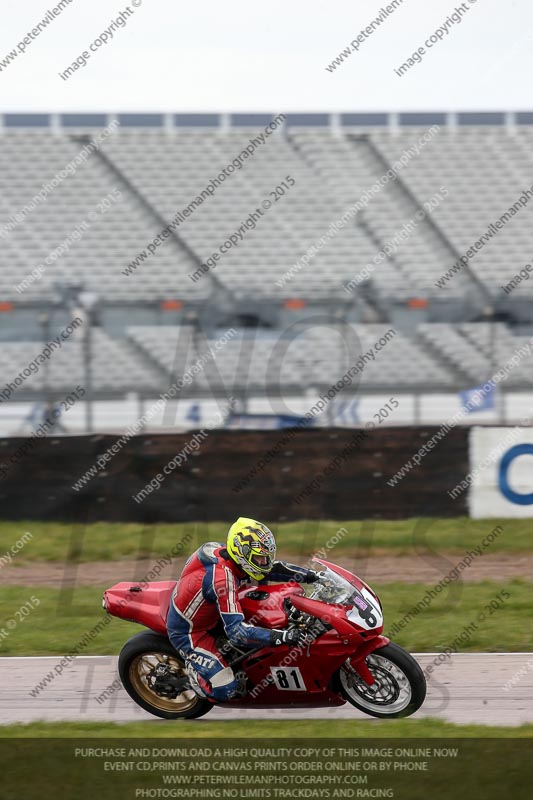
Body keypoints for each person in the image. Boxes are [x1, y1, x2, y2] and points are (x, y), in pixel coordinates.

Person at [166, 517, 320, 702]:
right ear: (242, 553)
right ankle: (193, 675)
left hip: (211, 610)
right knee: (226, 690)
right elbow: (237, 633)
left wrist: (314, 576)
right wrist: (284, 637)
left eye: (266, 557)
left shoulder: (234, 557)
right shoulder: (223, 580)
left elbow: (271, 568)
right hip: (190, 632)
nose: (264, 562)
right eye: (259, 558)